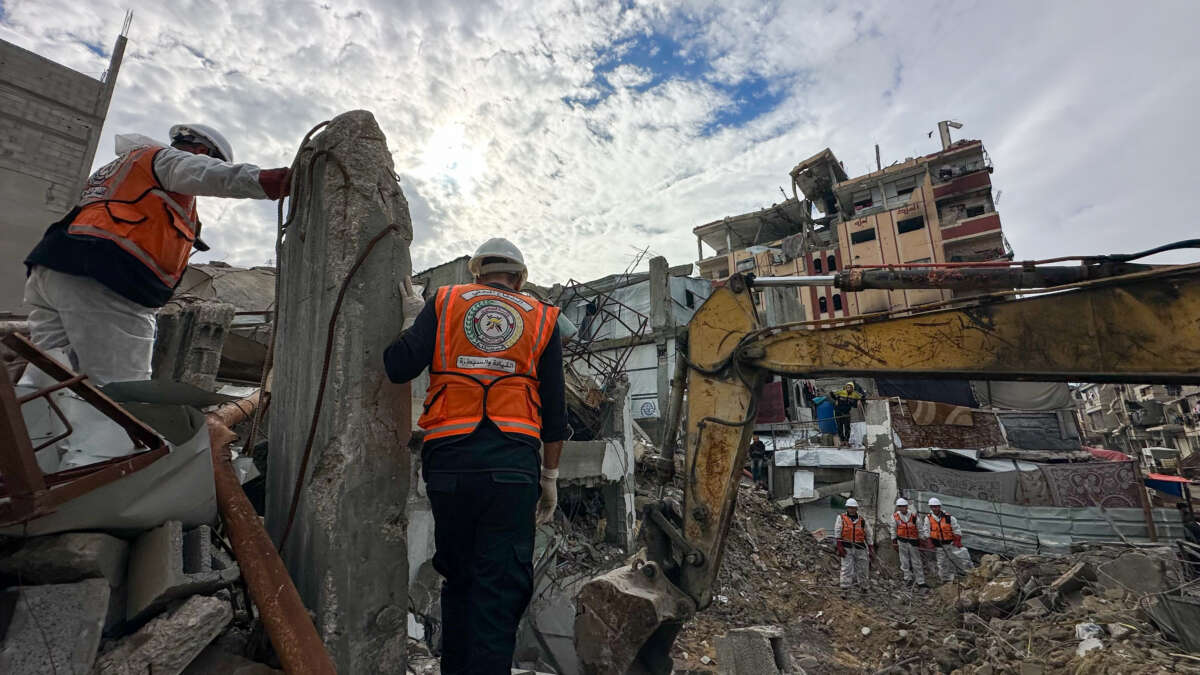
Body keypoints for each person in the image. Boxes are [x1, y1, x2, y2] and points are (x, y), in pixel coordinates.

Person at [383, 238, 566, 674]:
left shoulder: (445, 302)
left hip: (449, 466)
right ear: (520, 279)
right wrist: (550, 479)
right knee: (497, 596)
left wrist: (413, 317)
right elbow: (555, 415)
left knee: (459, 582)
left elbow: (397, 366)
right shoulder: (542, 319)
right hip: (512, 469)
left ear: (475, 274)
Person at [23, 125, 290, 384]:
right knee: (123, 392)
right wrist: (280, 181)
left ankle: (28, 426)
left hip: (53, 266)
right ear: (202, 151)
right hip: (105, 277)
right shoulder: (165, 159)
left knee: (46, 381)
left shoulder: (130, 171)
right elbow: (216, 175)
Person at [921, 497, 968, 583]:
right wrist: (929, 542)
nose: (934, 508)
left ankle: (954, 577)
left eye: (936, 506)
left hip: (949, 543)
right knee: (942, 563)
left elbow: (956, 529)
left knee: (952, 560)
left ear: (939, 507)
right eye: (932, 507)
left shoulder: (949, 517)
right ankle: (945, 579)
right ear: (930, 508)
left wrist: (957, 540)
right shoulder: (928, 518)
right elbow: (926, 531)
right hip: (938, 545)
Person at [834, 497, 874, 593]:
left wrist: (871, 547)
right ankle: (845, 588)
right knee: (846, 568)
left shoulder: (862, 520)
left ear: (856, 508)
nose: (852, 509)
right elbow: (838, 532)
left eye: (853, 507)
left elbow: (868, 534)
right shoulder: (841, 518)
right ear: (847, 508)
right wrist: (839, 546)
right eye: (850, 507)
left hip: (860, 547)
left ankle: (864, 587)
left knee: (863, 568)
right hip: (846, 547)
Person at [890, 497, 927, 588]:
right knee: (904, 561)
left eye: (904, 506)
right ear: (898, 507)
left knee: (916, 561)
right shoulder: (895, 517)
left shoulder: (914, 516)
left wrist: (922, 539)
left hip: (913, 542)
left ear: (907, 506)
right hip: (902, 541)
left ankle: (920, 581)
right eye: (900, 507)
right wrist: (894, 541)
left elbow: (920, 528)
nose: (902, 508)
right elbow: (893, 530)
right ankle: (908, 579)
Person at [830, 381, 864, 446]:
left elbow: (861, 397)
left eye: (850, 387)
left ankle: (846, 441)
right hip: (838, 413)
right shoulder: (841, 392)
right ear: (845, 387)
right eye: (847, 387)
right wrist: (836, 399)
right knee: (840, 427)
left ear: (852, 388)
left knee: (847, 428)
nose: (848, 388)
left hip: (846, 413)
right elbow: (832, 394)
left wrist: (858, 400)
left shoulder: (854, 394)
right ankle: (842, 441)